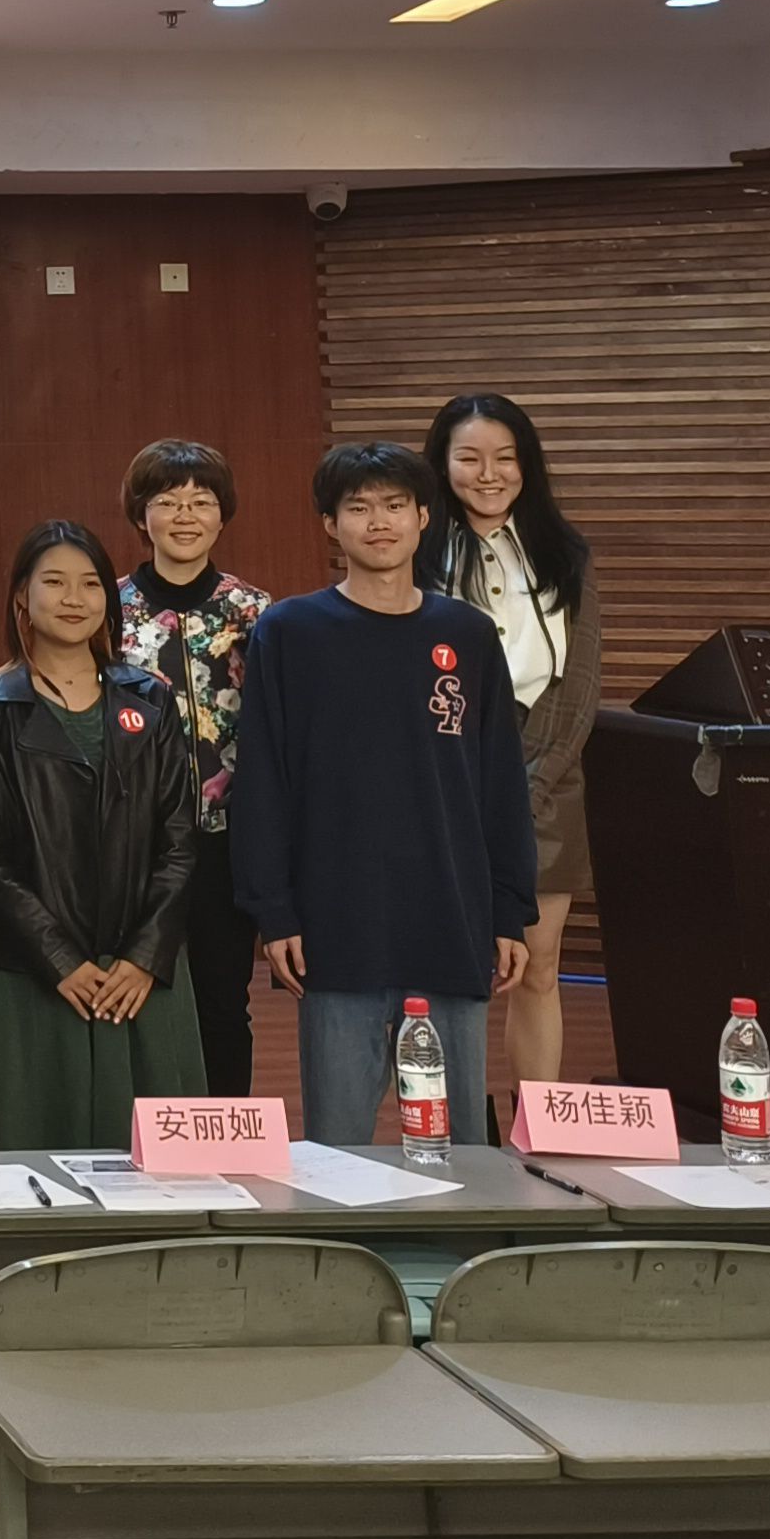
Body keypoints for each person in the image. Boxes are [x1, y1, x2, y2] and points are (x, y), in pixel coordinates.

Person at [234, 444, 535, 1148]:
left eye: (395, 506)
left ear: (424, 517)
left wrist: (509, 910)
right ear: (329, 525)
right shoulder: (289, 632)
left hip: (450, 915)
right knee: (338, 1146)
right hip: (336, 921)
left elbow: (499, 781)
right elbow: (263, 782)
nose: (379, 522)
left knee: (459, 1147)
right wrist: (274, 910)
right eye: (359, 508)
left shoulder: (466, 634)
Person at [0, 521, 204, 1151]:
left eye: (90, 584)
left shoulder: (151, 700)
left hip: (141, 978)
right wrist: (59, 960)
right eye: (55, 582)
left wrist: (144, 958)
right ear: (22, 596)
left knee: (156, 1171)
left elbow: (179, 839)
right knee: (32, 1166)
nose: (74, 598)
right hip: (36, 975)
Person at [423, 391, 600, 1124]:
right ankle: (450, 1125)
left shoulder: (566, 554)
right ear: (442, 465)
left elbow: (581, 683)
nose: (488, 474)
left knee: (539, 964)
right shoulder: (418, 555)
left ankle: (540, 1122)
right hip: (443, 773)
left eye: (505, 458)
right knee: (444, 968)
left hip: (548, 776)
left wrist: (532, 781)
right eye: (469, 458)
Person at [112, 440, 272, 1098]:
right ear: (140, 514)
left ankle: (224, 1136)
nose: (185, 515)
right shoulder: (108, 609)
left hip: (224, 841)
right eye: (167, 501)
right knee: (134, 998)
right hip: (130, 841)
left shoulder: (257, 613)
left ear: (222, 514)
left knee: (222, 1003)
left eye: (201, 501)